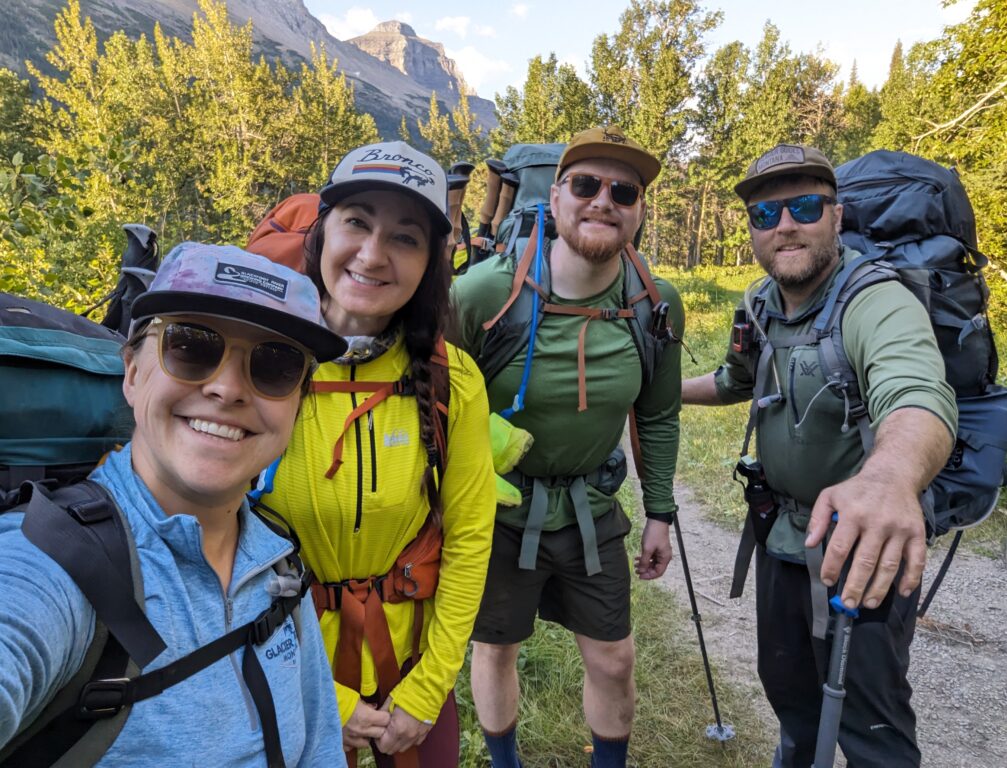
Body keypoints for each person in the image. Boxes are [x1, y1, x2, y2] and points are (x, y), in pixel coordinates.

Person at [0, 243, 346, 766]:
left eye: (275, 364)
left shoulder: (280, 570)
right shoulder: (53, 563)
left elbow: (320, 750)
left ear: (297, 405)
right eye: (190, 346)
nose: (228, 388)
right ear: (134, 373)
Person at [680, 144, 958, 767]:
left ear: (837, 215)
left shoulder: (874, 299)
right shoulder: (760, 304)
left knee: (868, 721)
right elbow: (735, 381)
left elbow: (916, 393)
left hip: (864, 547)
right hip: (782, 536)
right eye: (765, 213)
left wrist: (889, 481)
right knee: (791, 697)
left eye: (805, 205)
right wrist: (656, 396)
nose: (784, 224)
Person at [255, 141, 496, 768]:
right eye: (357, 221)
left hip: (410, 673)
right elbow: (210, 549)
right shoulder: (257, 364)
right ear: (322, 233)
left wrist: (427, 689)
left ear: (429, 263)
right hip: (280, 669)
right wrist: (329, 701)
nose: (372, 254)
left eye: (406, 237)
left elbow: (469, 538)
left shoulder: (453, 380)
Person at [452, 126, 684, 768]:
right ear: (555, 200)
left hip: (590, 508)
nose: (603, 200)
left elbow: (659, 414)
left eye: (624, 190)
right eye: (586, 185)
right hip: (494, 513)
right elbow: (434, 403)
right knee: (495, 648)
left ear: (639, 209)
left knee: (613, 657)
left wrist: (659, 512)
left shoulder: (654, 304)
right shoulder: (483, 296)